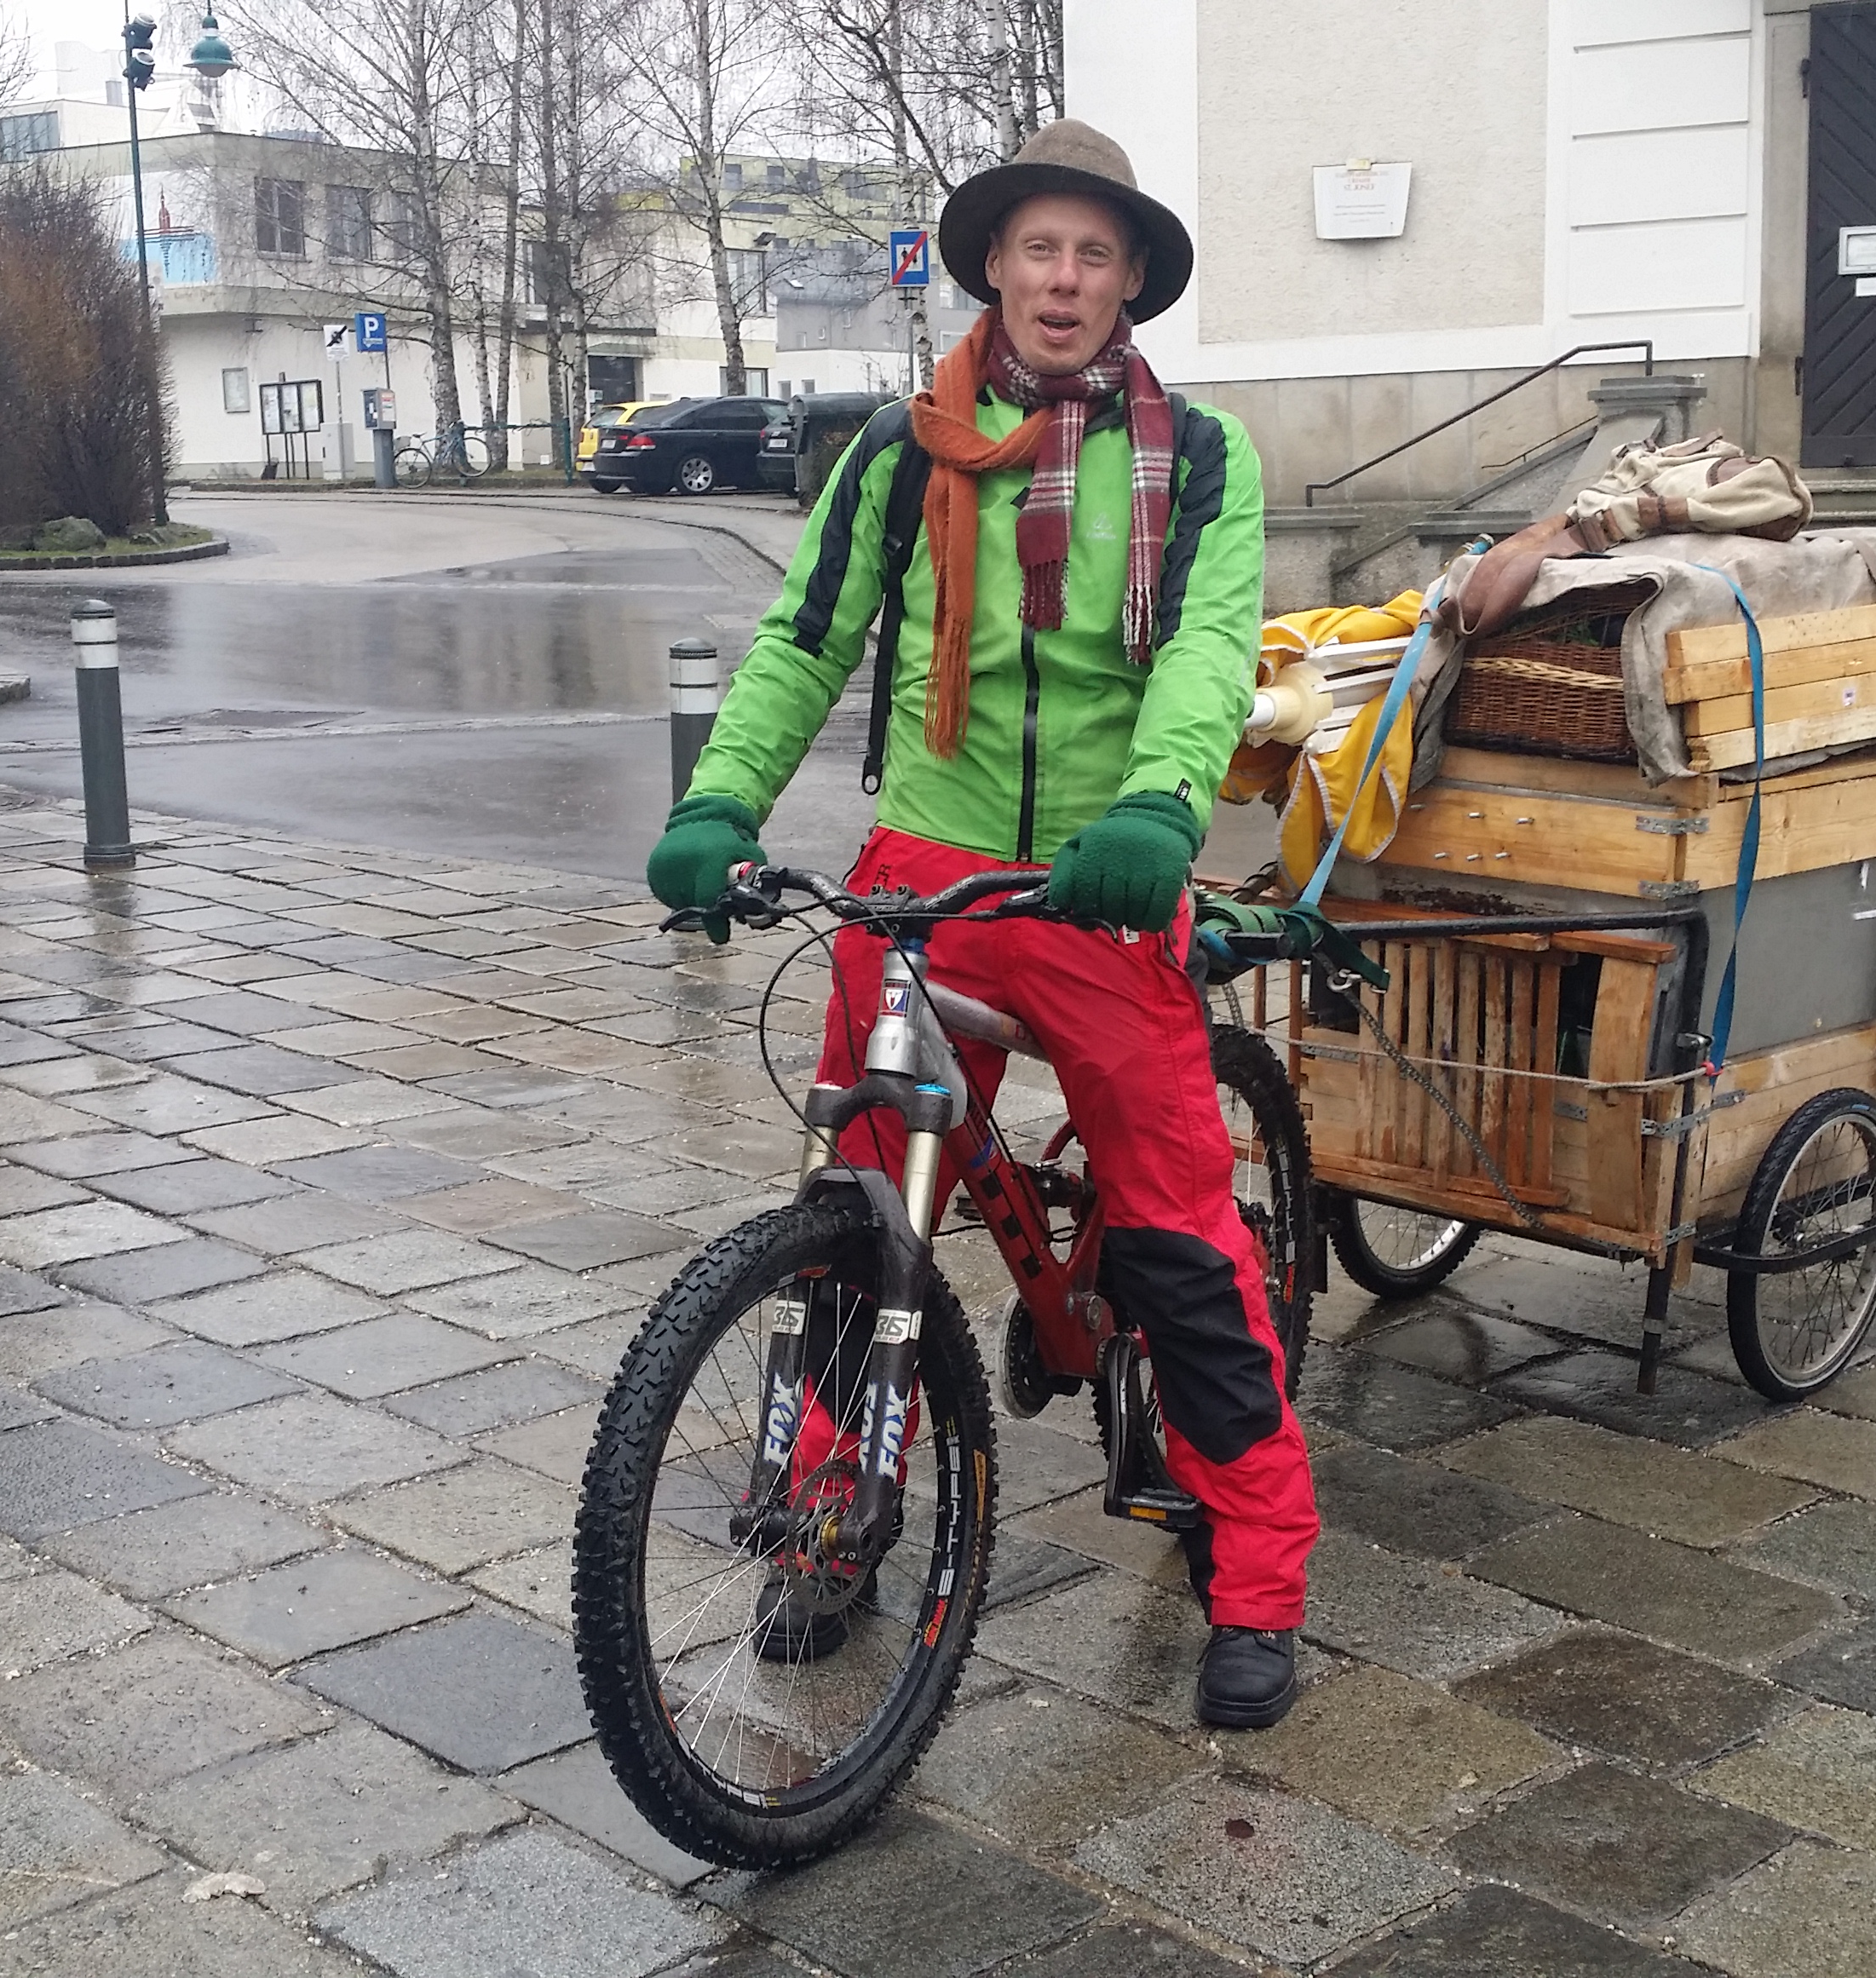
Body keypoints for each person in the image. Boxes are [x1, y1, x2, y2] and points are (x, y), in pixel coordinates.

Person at [643, 121, 1318, 1729]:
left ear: (1130, 278)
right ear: (994, 268)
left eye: (1095, 254)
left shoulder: (1199, 456)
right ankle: (830, 1520)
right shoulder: (901, 450)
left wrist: (1159, 812)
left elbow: (1206, 651)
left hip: (1104, 876)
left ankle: (1259, 1568)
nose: (1064, 281)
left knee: (1179, 1236)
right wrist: (718, 802)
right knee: (857, 1211)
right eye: (1038, 250)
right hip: (921, 875)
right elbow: (806, 641)